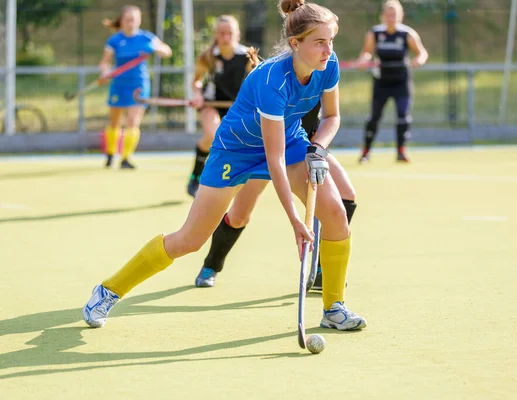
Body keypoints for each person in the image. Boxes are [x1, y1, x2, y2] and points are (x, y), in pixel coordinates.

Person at [83, 0, 367, 332]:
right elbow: (272, 159)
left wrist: (318, 148)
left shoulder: (328, 64)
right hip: (237, 150)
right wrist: (294, 221)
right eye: (320, 41)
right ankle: (108, 290)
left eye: (330, 40)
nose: (328, 49)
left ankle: (334, 307)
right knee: (190, 239)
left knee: (334, 212)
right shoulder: (271, 80)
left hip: (289, 139)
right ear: (295, 43)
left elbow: (332, 117)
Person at [194, 101, 358, 293]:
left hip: (303, 147)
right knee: (239, 216)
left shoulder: (324, 74)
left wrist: (317, 140)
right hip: (267, 152)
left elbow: (327, 115)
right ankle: (211, 264)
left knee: (346, 195)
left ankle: (322, 268)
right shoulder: (275, 75)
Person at [187, 15, 257, 197]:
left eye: (230, 33)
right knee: (213, 135)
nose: (226, 37)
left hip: (237, 107)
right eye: (222, 33)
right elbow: (196, 82)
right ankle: (197, 176)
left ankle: (233, 179)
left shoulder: (247, 56)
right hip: (212, 104)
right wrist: (197, 94)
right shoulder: (208, 56)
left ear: (238, 34)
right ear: (216, 34)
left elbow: (257, 82)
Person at [99, 5, 172, 169]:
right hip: (119, 84)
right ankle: (111, 154)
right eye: (128, 20)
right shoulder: (115, 40)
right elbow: (105, 62)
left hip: (138, 85)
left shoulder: (147, 38)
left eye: (134, 20)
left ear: (139, 21)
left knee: (133, 121)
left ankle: (125, 158)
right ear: (122, 21)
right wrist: (105, 72)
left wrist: (156, 48)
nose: (131, 23)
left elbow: (167, 51)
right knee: (114, 121)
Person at [356, 0, 428, 164]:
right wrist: (363, 60)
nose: (391, 18)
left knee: (403, 116)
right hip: (381, 81)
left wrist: (419, 60)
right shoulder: (375, 33)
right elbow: (366, 53)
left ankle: (401, 151)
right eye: (388, 14)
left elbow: (421, 53)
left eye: (394, 14)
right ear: (382, 16)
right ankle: (366, 152)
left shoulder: (407, 34)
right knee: (374, 117)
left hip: (401, 82)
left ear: (401, 16)